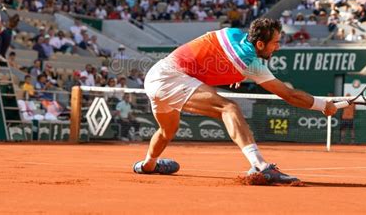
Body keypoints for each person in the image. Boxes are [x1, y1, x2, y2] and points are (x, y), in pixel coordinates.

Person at [133, 18, 338, 185]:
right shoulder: (251, 64)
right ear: (260, 44)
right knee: (228, 108)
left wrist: (232, 75)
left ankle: (148, 165)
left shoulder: (233, 33)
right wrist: (323, 106)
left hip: (157, 75)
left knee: (167, 131)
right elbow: (289, 95)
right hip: (170, 77)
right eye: (275, 42)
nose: (278, 47)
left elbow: (214, 54)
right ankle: (260, 165)